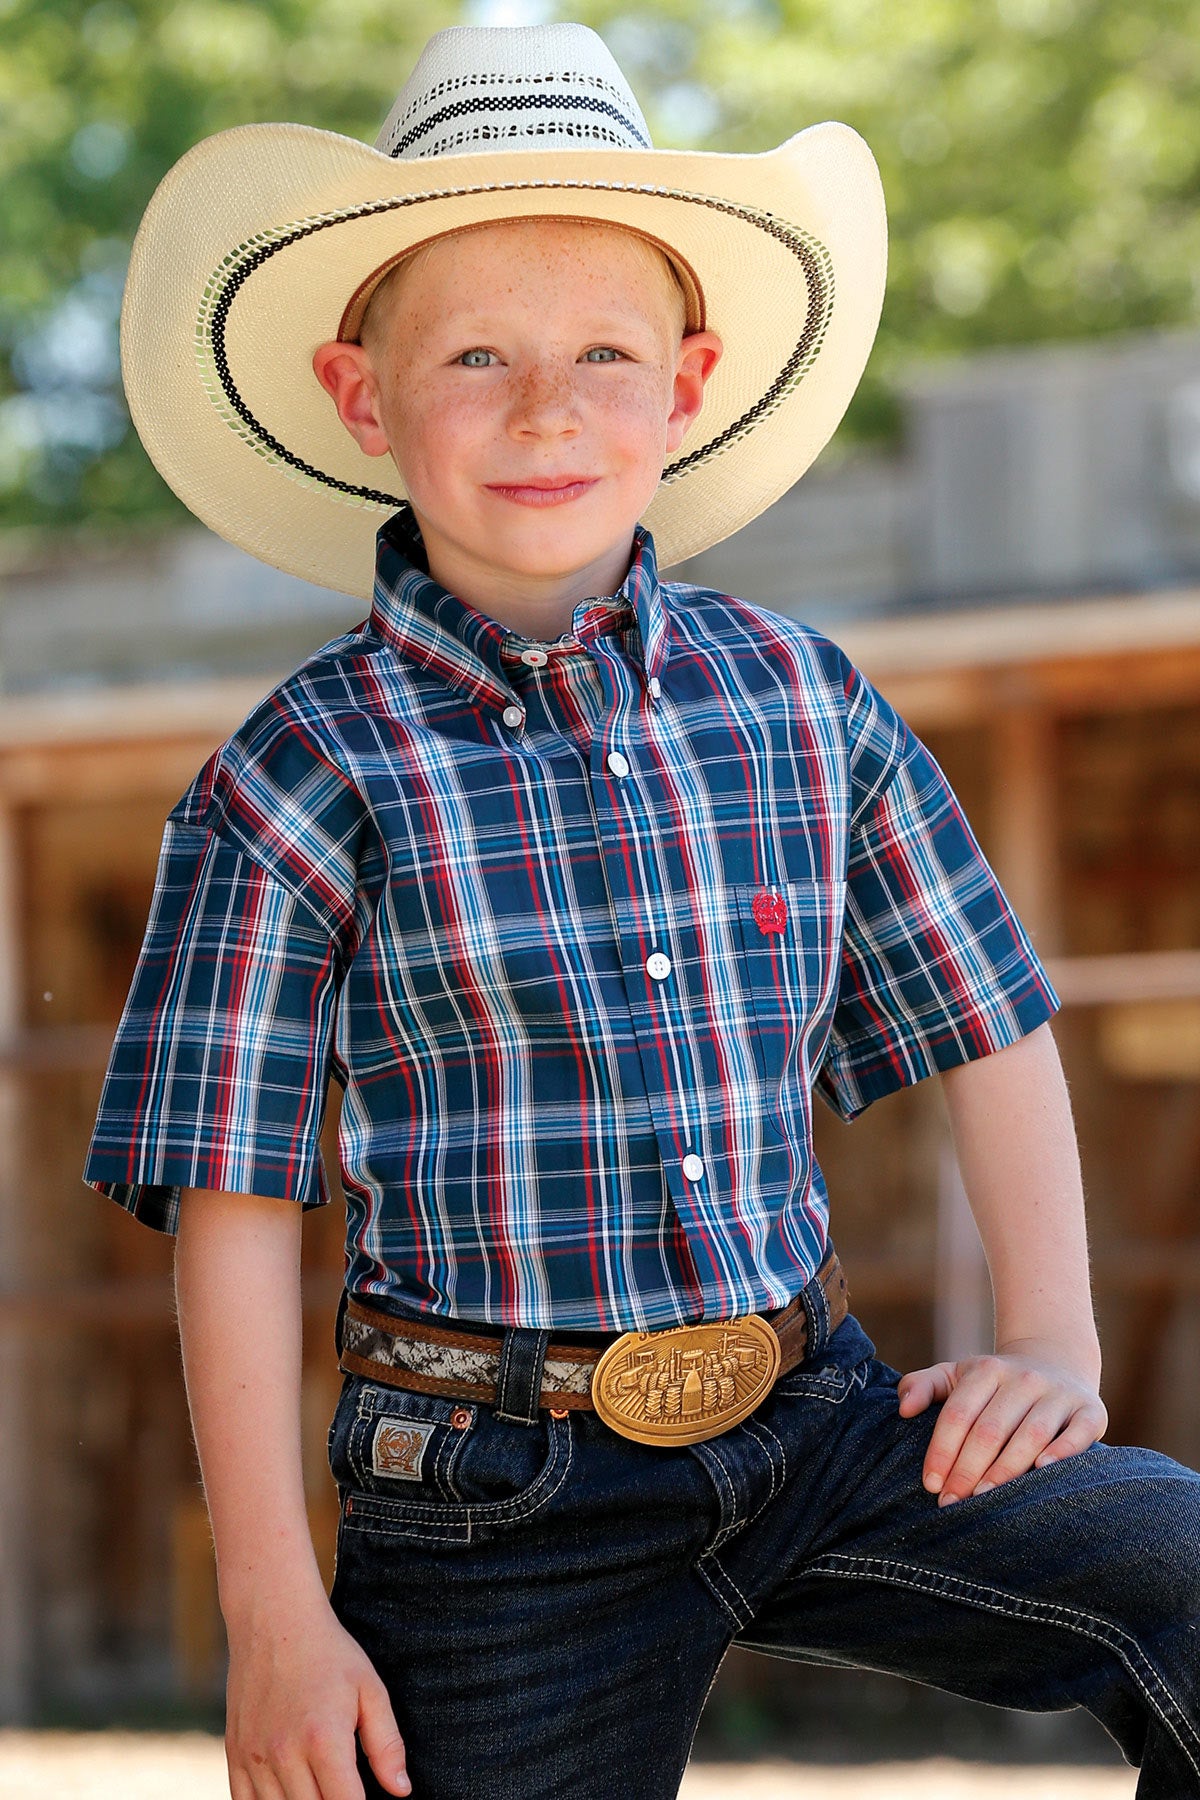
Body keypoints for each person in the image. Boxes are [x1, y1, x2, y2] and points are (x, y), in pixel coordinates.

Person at [83, 21, 1200, 1800]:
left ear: (685, 388)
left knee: (1187, 1581)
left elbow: (985, 1012)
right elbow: (231, 1206)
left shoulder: (799, 700)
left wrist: (1057, 1338)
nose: (546, 408)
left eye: (603, 352)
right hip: (488, 1495)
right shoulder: (295, 776)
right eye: (476, 355)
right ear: (365, 399)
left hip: (817, 1416)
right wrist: (276, 1615)